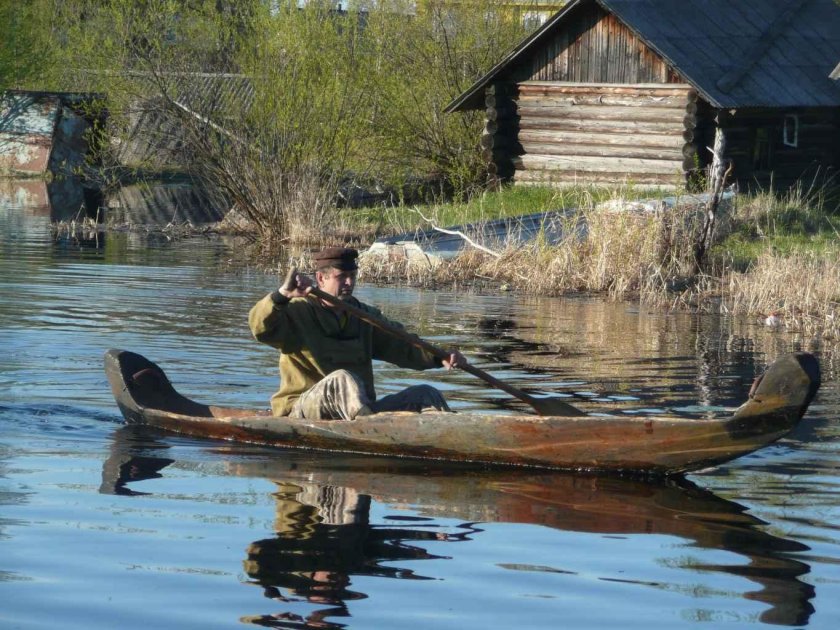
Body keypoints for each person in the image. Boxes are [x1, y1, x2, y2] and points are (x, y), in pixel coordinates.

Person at [249, 246, 466, 420]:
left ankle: (450, 433)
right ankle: (368, 429)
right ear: (321, 278)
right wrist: (281, 296)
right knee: (342, 379)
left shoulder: (363, 315)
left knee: (425, 394)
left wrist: (440, 357)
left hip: (363, 411)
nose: (349, 283)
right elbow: (260, 327)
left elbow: (402, 345)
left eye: (353, 276)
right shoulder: (297, 310)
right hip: (303, 410)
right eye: (341, 277)